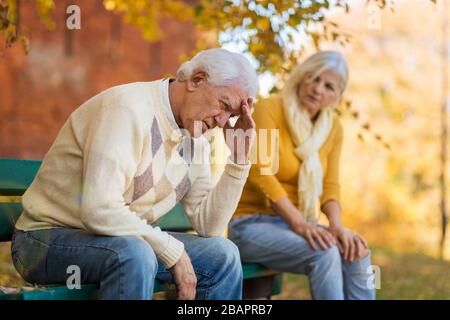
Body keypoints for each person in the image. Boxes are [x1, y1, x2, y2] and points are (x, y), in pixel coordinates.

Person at [12, 48, 257, 300]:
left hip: (117, 241)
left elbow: (210, 226)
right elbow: (99, 209)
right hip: (44, 239)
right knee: (135, 253)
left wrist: (238, 160)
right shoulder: (128, 108)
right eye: (223, 105)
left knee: (223, 255)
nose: (222, 121)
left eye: (233, 116)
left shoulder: (197, 143)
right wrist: (172, 250)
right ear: (197, 80)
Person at [228, 51, 375, 300]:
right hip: (251, 224)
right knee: (324, 252)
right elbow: (260, 172)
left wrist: (337, 227)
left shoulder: (333, 128)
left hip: (298, 225)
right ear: (302, 77)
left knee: (356, 250)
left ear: (337, 96)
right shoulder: (270, 108)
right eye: (314, 78)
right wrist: (301, 224)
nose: (318, 89)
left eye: (328, 86)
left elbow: (330, 186)